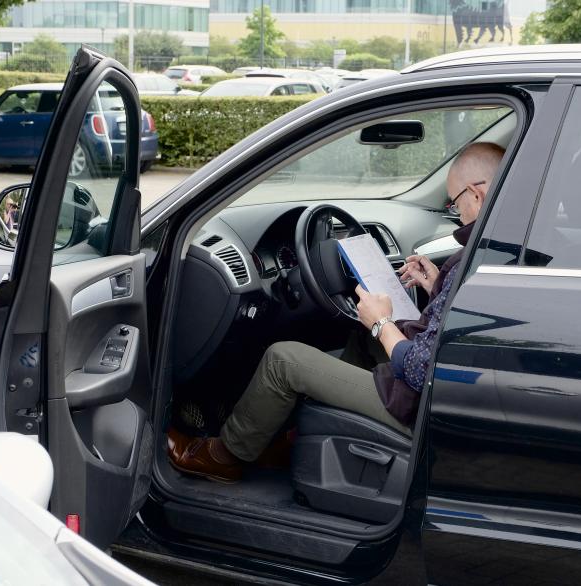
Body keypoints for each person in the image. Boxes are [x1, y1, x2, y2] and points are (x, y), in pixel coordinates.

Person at [167, 142, 507, 483]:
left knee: (282, 360)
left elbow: (420, 371)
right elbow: (459, 320)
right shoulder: (497, 246)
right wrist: (436, 287)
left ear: (476, 195)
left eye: (454, 202)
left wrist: (382, 323)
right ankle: (302, 437)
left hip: (419, 402)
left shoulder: (475, 254)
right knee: (361, 337)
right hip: (449, 389)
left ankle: (223, 456)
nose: (455, 212)